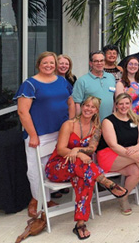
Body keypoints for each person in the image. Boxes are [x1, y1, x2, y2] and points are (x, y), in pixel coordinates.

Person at [45, 97, 128, 240]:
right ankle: (106, 182)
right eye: (86, 105)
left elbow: (91, 149)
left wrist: (77, 150)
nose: (89, 109)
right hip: (58, 167)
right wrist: (78, 154)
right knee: (82, 165)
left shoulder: (96, 129)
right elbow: (60, 150)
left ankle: (80, 224)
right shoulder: (69, 124)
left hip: (81, 169)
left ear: (96, 111)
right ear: (82, 107)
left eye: (93, 107)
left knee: (85, 179)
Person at [15, 51, 75, 217]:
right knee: (35, 169)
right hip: (39, 134)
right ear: (39, 65)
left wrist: (70, 125)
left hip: (60, 132)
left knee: (51, 165)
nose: (49, 66)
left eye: (52, 63)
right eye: (45, 63)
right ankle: (36, 200)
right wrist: (32, 134)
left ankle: (46, 199)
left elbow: (70, 103)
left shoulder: (62, 81)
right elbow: (22, 112)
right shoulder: (30, 84)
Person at [72, 51, 117, 121]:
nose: (99, 63)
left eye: (102, 61)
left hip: (109, 122)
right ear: (91, 63)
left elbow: (114, 99)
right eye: (96, 61)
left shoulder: (111, 77)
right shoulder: (82, 81)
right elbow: (77, 104)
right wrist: (79, 122)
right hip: (90, 123)